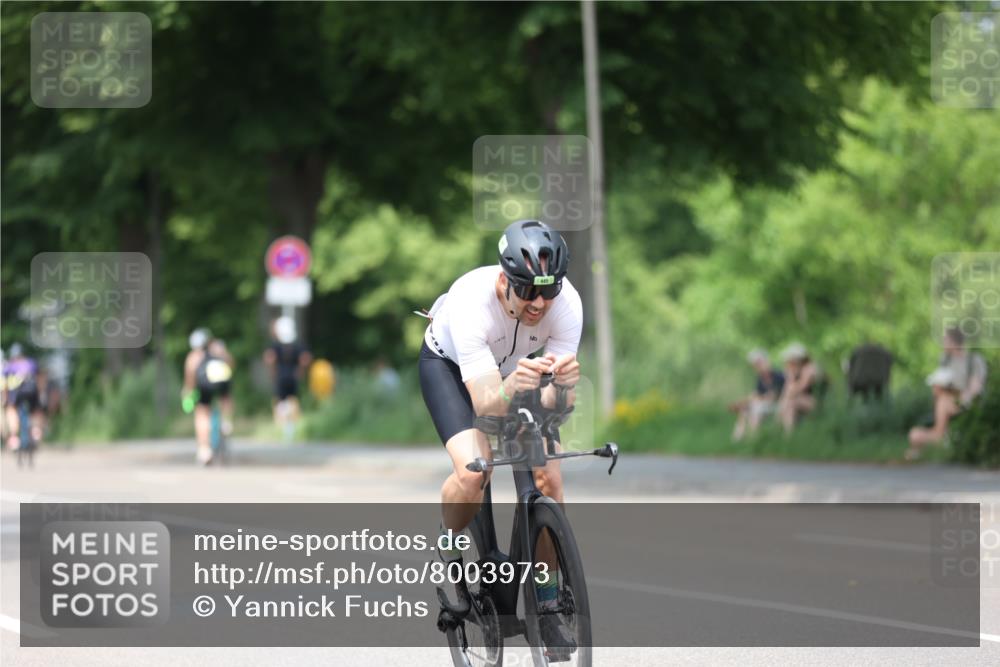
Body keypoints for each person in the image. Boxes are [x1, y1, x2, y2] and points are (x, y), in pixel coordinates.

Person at [418, 219, 582, 652]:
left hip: (514, 373)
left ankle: (547, 602)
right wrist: (514, 386)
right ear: (503, 279)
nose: (539, 303)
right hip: (451, 370)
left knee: (548, 479)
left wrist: (563, 388)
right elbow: (487, 406)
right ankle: (450, 549)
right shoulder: (471, 303)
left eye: (548, 291)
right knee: (475, 471)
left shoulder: (567, 305)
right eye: (527, 290)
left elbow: (556, 413)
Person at [183, 329, 234, 465]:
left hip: (205, 383)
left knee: (202, 412)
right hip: (223, 379)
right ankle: (226, 422)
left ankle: (205, 450)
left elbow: (190, 377)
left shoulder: (194, 355)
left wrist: (188, 391)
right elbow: (230, 364)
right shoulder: (218, 348)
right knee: (225, 397)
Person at [263, 316, 311, 440]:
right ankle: (290, 428)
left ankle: (283, 426)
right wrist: (300, 371)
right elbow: (305, 358)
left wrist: (273, 371)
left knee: (280, 402)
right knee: (292, 401)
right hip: (293, 377)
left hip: (281, 377)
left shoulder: (275, 344)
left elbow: (269, 358)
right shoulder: (297, 344)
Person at [905, 367, 963, 460]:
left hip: (948, 439)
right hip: (957, 436)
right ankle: (917, 454)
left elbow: (939, 433)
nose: (932, 388)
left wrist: (922, 434)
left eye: (934, 385)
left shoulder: (942, 401)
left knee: (915, 433)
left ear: (940, 386)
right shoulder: (956, 397)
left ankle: (915, 455)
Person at [729, 349, 785, 441]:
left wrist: (756, 400)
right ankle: (738, 439)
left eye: (759, 363)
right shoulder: (760, 379)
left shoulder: (778, 376)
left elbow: (774, 396)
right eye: (755, 365)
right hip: (764, 405)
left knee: (756, 409)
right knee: (744, 411)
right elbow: (756, 394)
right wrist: (742, 403)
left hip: (778, 405)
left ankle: (753, 438)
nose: (757, 367)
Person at [3, 343, 43, 451]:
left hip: (18, 393)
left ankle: (14, 437)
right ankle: (36, 431)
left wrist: (7, 399)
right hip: (32, 391)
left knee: (11, 410)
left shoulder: (10, 365)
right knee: (36, 411)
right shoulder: (31, 363)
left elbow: (6, 384)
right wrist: (40, 393)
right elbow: (39, 378)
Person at [937, 328, 987, 407]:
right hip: (953, 398)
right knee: (941, 399)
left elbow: (976, 385)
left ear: (953, 342)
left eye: (945, 340)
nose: (943, 343)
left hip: (971, 400)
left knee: (942, 403)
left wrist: (964, 398)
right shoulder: (945, 360)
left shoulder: (974, 360)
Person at [777, 342, 819, 435]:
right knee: (789, 404)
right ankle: (788, 435)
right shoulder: (794, 371)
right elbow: (786, 391)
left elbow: (801, 387)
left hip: (815, 401)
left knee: (789, 402)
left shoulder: (809, 368)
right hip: (798, 401)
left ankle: (788, 436)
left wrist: (791, 378)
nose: (789, 362)